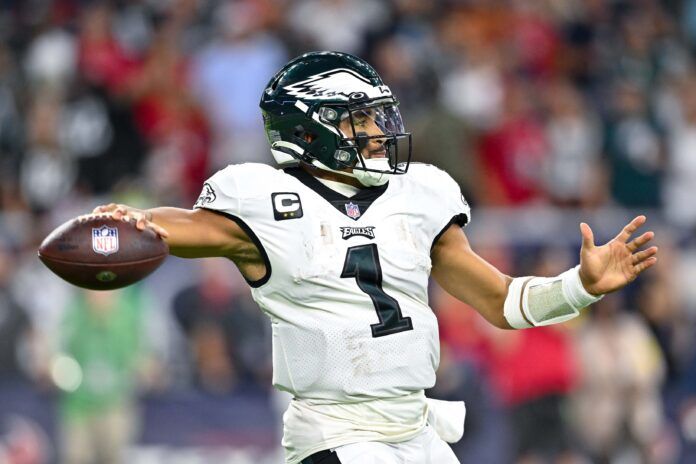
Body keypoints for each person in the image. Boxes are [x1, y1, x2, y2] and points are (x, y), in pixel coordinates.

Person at [92, 51, 658, 464]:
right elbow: (183, 228)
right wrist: (129, 224)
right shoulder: (262, 199)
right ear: (310, 131)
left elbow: (502, 301)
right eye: (360, 119)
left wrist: (580, 286)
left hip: (415, 428)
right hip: (336, 433)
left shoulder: (420, 195)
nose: (380, 131)